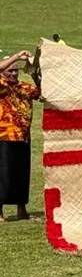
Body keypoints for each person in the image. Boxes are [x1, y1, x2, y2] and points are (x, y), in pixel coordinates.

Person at [0, 49, 38, 221]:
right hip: (4, 136)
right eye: (11, 70)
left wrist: (35, 72)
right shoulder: (1, 85)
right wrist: (16, 57)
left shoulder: (23, 87)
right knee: (3, 175)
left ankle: (21, 210)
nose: (14, 73)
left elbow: (41, 93)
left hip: (23, 136)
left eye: (16, 70)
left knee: (22, 174)